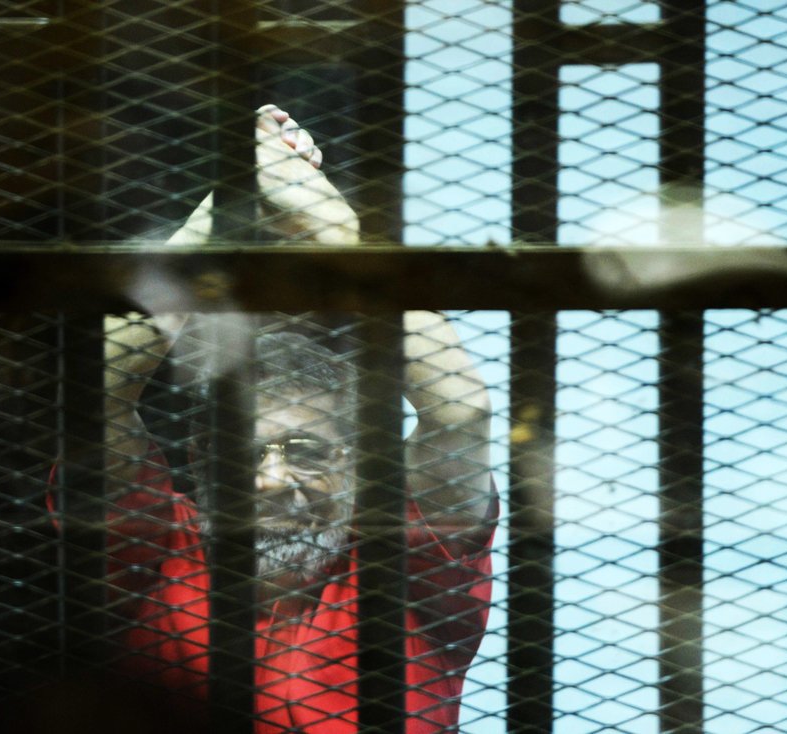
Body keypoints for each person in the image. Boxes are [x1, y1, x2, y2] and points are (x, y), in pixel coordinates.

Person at [79, 105, 497, 734]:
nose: (272, 480)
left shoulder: (404, 574)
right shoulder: (161, 549)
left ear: (353, 462)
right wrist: (228, 198)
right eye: (244, 457)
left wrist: (306, 201)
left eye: (303, 451)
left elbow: (460, 411)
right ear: (199, 463)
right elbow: (94, 393)